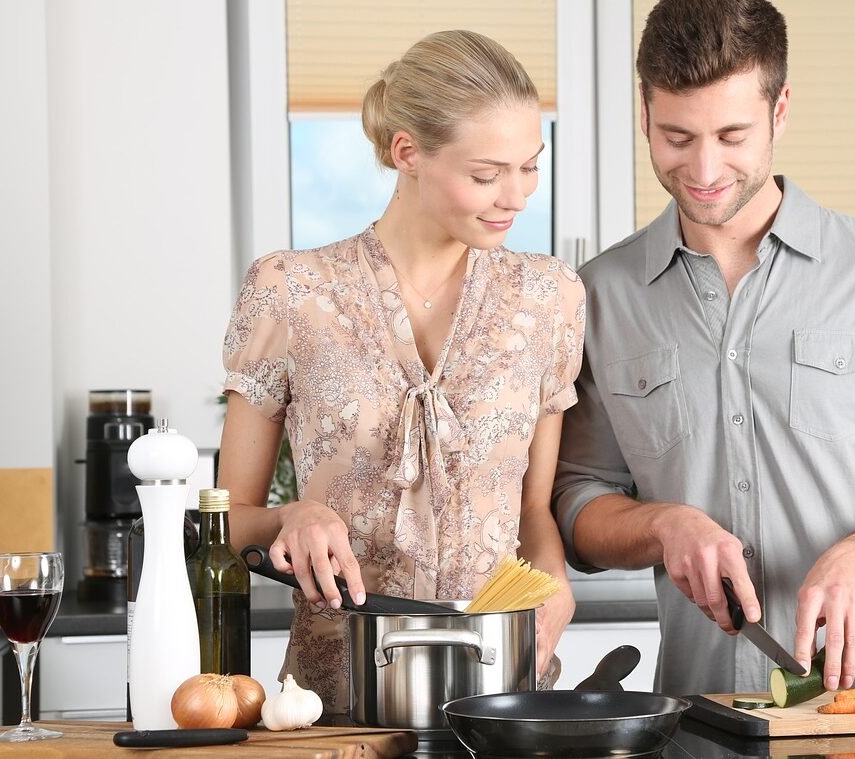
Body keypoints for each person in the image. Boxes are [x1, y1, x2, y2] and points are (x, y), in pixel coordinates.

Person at [552, 0, 855, 697]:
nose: (703, 167)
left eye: (732, 134)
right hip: (697, 719)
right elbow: (579, 501)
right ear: (644, 114)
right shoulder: (599, 294)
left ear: (780, 110)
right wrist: (664, 523)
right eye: (676, 135)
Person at [218, 30, 584, 711]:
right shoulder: (291, 291)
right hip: (333, 704)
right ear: (407, 152)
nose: (517, 196)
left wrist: (555, 581)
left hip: (499, 695)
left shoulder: (551, 298)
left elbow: (534, 508)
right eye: (486, 174)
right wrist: (291, 516)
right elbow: (223, 525)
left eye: (530, 166)